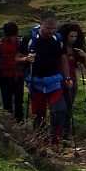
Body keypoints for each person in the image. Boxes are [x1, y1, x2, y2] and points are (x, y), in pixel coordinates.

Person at [20, 12, 70, 152]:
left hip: (54, 81)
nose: (51, 31)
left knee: (59, 110)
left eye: (54, 28)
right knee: (38, 113)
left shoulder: (58, 39)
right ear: (40, 24)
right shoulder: (29, 39)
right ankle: (40, 141)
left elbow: (64, 59)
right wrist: (26, 59)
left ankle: (56, 141)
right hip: (36, 82)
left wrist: (67, 77)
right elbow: (17, 58)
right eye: (48, 28)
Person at [0, 21, 25, 121]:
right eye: (9, 36)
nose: (11, 39)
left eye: (13, 36)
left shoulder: (20, 42)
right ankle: (9, 124)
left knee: (18, 101)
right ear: (5, 35)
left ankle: (19, 123)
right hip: (4, 76)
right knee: (6, 102)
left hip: (18, 75)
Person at [59, 22, 86, 121]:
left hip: (72, 83)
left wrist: (84, 56)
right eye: (71, 36)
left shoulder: (77, 50)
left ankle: (66, 131)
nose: (73, 39)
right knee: (59, 109)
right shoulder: (59, 47)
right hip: (59, 82)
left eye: (75, 36)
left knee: (68, 109)